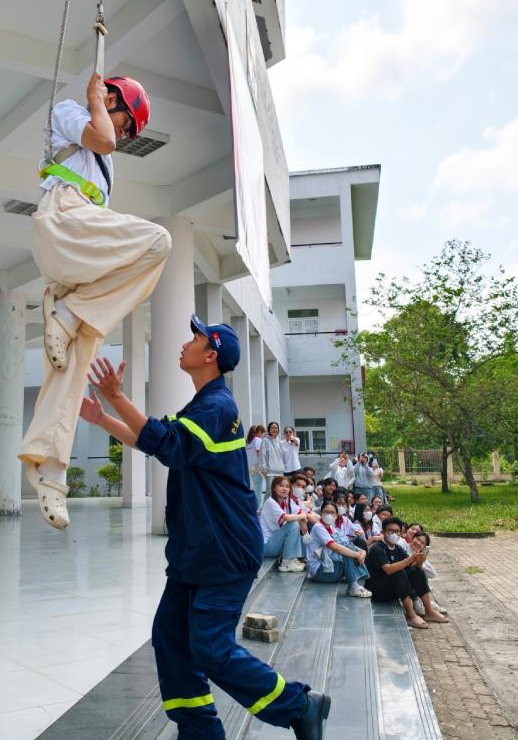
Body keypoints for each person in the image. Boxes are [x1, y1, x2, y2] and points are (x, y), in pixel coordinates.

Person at [79, 315, 330, 738]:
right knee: (171, 640)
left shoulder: (219, 408)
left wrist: (117, 397)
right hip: (195, 550)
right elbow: (159, 442)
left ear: (211, 355)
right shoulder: (202, 406)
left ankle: (300, 704)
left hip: (224, 550)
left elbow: (166, 442)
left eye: (195, 337)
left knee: (211, 649)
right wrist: (102, 419)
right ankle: (199, 732)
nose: (186, 342)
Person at [19, 73, 170, 531]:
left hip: (82, 248)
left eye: (129, 131)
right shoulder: (70, 112)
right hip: (62, 222)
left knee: (74, 362)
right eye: (129, 123)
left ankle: (50, 469)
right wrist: (95, 101)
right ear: (111, 99)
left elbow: (107, 143)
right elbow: (103, 138)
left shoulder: (106, 165)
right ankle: (69, 312)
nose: (124, 136)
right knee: (159, 239)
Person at [365, 517, 448, 629]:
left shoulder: (398, 549)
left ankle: (429, 611)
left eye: (397, 531)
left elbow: (411, 568)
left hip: (394, 589)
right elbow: (388, 569)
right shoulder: (377, 548)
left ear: (401, 533)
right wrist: (410, 559)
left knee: (417, 571)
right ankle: (410, 614)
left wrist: (419, 562)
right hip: (378, 591)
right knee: (398, 572)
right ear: (383, 532)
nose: (394, 534)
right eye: (390, 531)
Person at [305, 502, 373, 598]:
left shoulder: (330, 527)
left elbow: (343, 542)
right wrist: (356, 555)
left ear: (336, 515)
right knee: (346, 554)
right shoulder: (318, 527)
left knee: (348, 548)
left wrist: (362, 551)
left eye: (332, 512)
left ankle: (355, 582)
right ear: (321, 513)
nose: (329, 515)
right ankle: (353, 587)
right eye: (326, 512)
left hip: (328, 566)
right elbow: (334, 546)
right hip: (320, 571)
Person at [259, 475, 308, 572]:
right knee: (293, 524)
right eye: (281, 485)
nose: (284, 489)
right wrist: (302, 516)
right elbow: (288, 517)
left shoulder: (287, 501)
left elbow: (303, 516)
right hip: (266, 546)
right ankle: (286, 563)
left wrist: (302, 516)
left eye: (287, 486)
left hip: (275, 543)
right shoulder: (270, 502)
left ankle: (293, 558)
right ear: (274, 488)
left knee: (295, 523)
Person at [262, 422, 286, 493]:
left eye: (276, 428)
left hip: (279, 471)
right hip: (270, 471)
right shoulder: (265, 440)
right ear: (269, 429)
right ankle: (266, 504)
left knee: (279, 492)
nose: (274, 429)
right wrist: (263, 468)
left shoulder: (279, 441)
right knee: (270, 491)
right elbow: (262, 454)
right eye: (272, 428)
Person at [247, 424, 268, 503]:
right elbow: (260, 453)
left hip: (250, 468)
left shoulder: (249, 442)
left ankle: (254, 504)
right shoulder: (258, 440)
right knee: (258, 488)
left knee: (255, 486)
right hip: (257, 467)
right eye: (262, 433)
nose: (262, 435)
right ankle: (257, 506)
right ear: (259, 432)